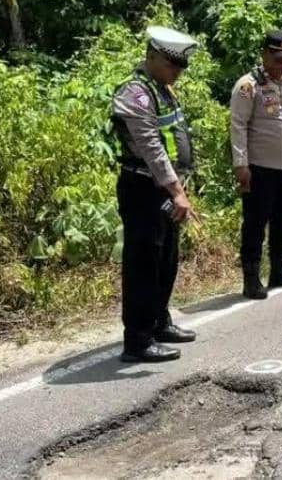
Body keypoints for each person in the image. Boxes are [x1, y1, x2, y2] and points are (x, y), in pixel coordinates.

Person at [111, 26, 200, 363]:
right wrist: (177, 190)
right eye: (171, 65)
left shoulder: (162, 90)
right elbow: (151, 148)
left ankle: (159, 321)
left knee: (166, 258)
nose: (176, 72)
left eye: (180, 67)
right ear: (151, 57)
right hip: (144, 189)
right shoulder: (135, 94)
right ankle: (137, 339)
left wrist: (180, 185)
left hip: (167, 188)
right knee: (143, 263)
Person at [230, 29, 282, 299]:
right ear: (264, 54)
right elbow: (238, 125)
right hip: (259, 168)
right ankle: (251, 278)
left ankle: (280, 269)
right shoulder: (248, 86)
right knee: (255, 223)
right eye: (277, 58)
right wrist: (240, 164)